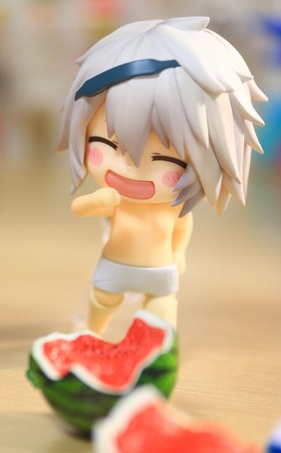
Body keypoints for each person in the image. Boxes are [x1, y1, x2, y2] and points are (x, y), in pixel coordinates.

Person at [58, 17, 267, 334]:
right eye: (105, 145)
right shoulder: (114, 198)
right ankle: (92, 332)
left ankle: (159, 345)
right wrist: (96, 202)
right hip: (113, 264)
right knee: (102, 300)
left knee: (162, 312)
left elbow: (183, 226)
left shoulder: (173, 209)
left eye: (163, 159)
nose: (127, 168)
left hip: (160, 269)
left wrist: (179, 254)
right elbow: (79, 208)